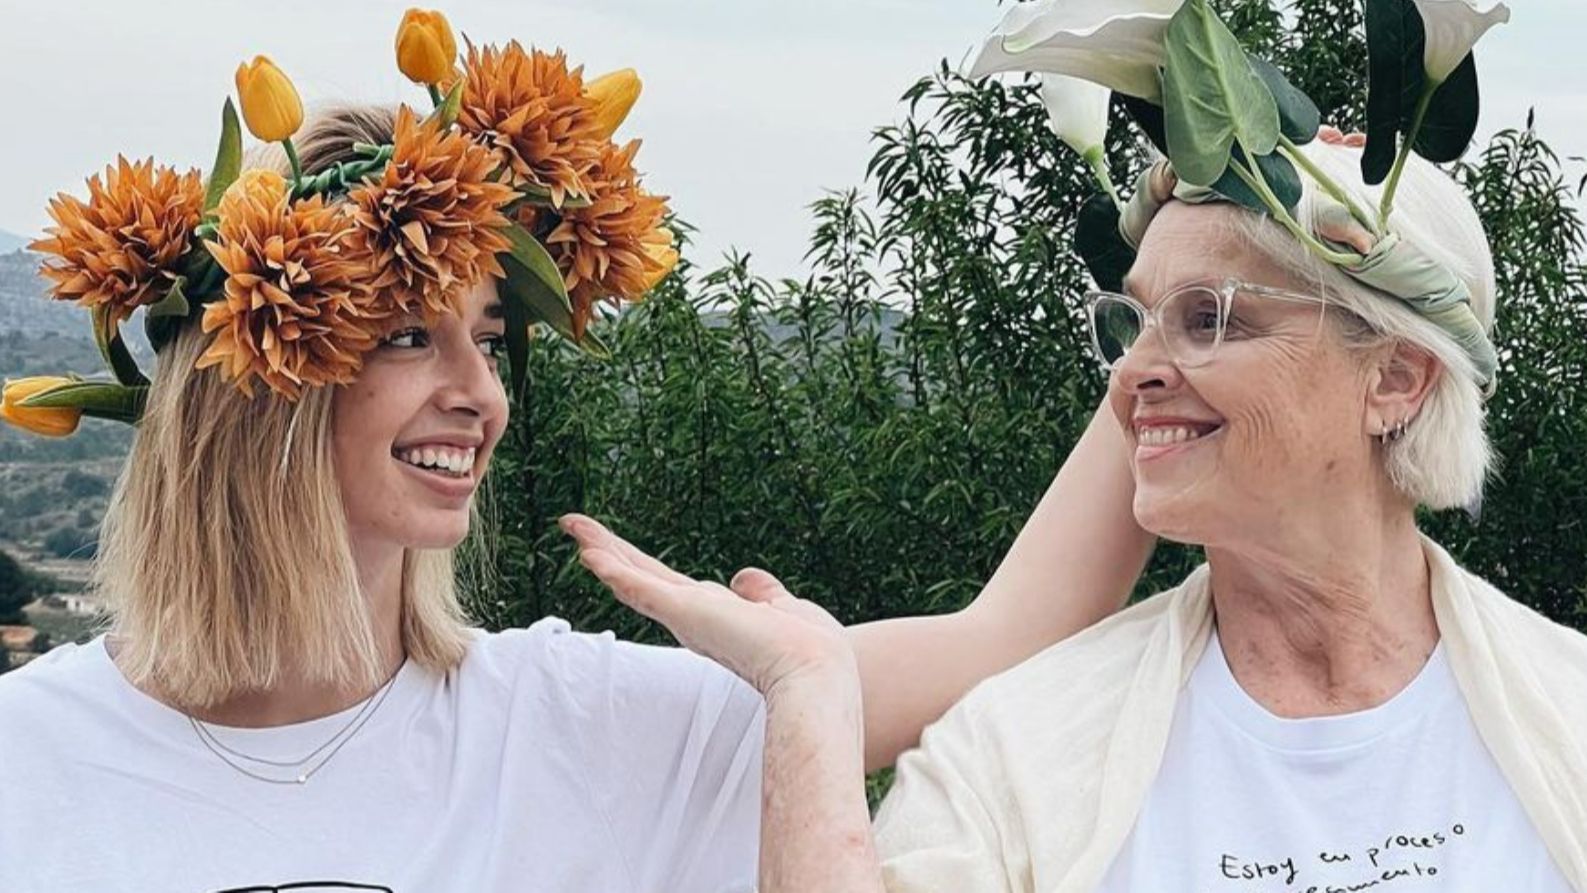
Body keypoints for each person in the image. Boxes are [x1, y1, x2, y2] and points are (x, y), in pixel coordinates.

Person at [0, 10, 1156, 892]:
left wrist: (1193, 301)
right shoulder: (30, 760)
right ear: (264, 377)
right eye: (410, 335)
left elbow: (1008, 637)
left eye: (490, 339)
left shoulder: (585, 730)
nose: (479, 394)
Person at [564, 97, 1587, 893]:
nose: (1133, 370)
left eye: (1211, 315)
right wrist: (801, 688)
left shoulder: (1568, 713)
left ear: (1397, 379)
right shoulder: (1014, 748)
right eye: (1136, 319)